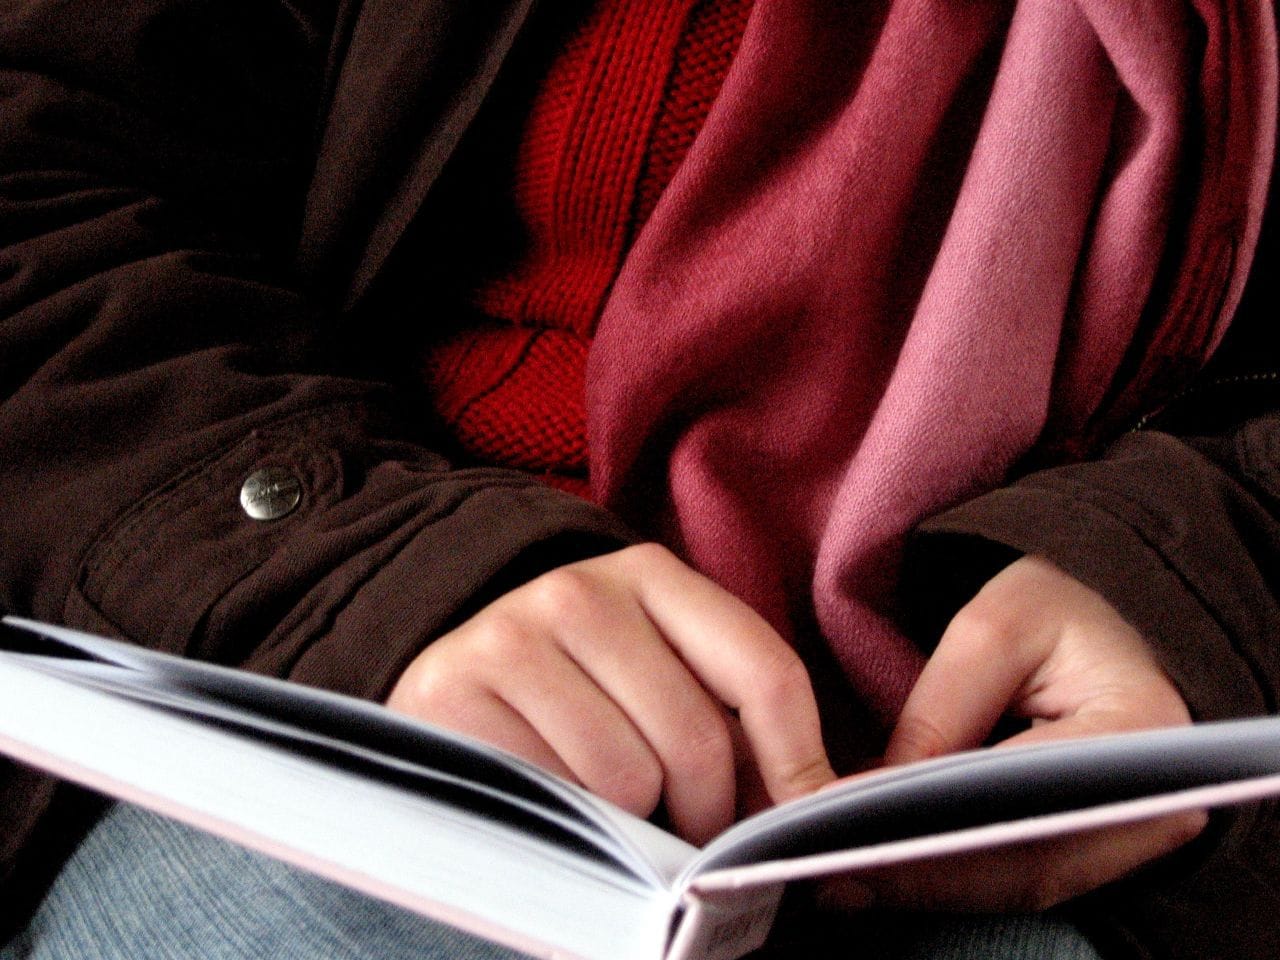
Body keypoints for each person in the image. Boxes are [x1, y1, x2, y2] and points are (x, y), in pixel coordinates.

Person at [0, 0, 1277, 958]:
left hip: (1041, 824)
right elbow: (36, 170)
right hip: (335, 690)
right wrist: (376, 572)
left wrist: (1194, 575)